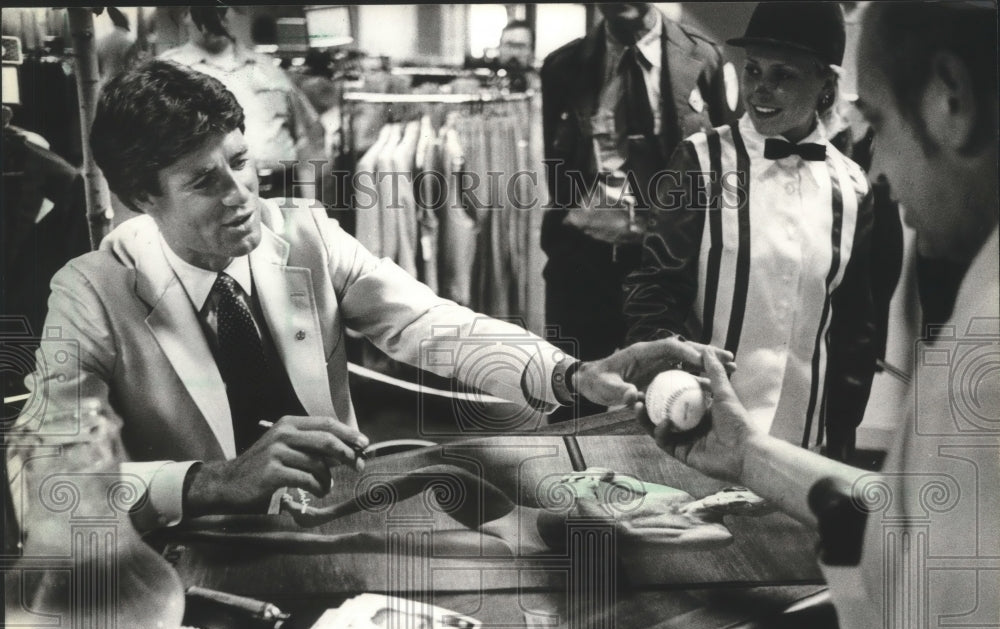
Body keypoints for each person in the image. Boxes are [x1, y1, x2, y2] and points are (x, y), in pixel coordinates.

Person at [13, 60, 729, 534]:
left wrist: (574, 375)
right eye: (204, 182)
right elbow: (41, 488)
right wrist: (209, 481)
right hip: (201, 568)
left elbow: (427, 323)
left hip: (344, 525)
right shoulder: (91, 294)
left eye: (241, 164)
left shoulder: (301, 233)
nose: (242, 199)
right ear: (140, 196)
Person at [643, 2, 998, 629]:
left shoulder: (981, 370)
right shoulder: (700, 160)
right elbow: (916, 518)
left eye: (880, 123)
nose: (883, 168)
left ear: (948, 101)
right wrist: (749, 454)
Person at [624, 2, 877, 461]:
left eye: (784, 76)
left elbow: (855, 333)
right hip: (700, 436)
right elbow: (656, 289)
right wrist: (666, 384)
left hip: (804, 449)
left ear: (824, 84)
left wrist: (841, 439)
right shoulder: (700, 162)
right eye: (754, 71)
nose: (761, 88)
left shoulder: (855, 187)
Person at [541, 2, 735, 419]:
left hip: (666, 267)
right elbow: (556, 166)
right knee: (573, 401)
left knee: (671, 402)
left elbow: (723, 161)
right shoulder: (563, 66)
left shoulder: (705, 59)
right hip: (584, 260)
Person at [160, 7, 325, 200]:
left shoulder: (268, 67)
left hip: (284, 193)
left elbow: (306, 139)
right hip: (215, 198)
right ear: (184, 15)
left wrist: (309, 203)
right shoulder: (167, 72)